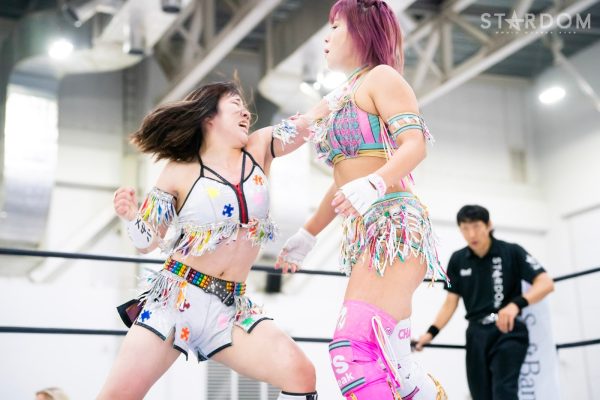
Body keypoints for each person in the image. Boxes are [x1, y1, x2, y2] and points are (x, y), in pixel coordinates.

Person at [97, 81, 327, 400]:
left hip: (231, 307)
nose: (246, 112)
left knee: (300, 372)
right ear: (209, 116)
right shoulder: (178, 169)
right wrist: (132, 216)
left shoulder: (261, 146)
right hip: (175, 301)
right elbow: (147, 242)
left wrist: (361, 79)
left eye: (245, 107)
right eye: (235, 105)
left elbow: (311, 119)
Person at [276, 1, 447, 398]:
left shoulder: (382, 78)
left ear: (361, 30)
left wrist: (376, 183)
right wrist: (308, 233)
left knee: (352, 350)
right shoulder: (340, 95)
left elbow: (415, 145)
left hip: (395, 229)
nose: (326, 37)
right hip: (365, 232)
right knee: (396, 369)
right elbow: (343, 180)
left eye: (336, 26)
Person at [415, 205, 555, 400]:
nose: (471, 234)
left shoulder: (511, 251)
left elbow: (546, 283)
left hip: (508, 330)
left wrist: (516, 304)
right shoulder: (458, 259)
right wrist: (431, 333)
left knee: (504, 392)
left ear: (488, 225)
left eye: (476, 226)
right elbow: (450, 302)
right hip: (476, 334)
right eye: (465, 228)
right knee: (479, 395)